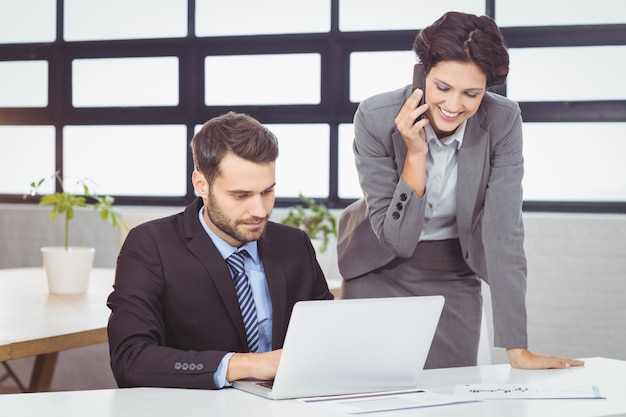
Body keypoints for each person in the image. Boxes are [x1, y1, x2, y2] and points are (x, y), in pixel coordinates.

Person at [337, 11, 584, 370]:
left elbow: (503, 233)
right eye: (443, 88)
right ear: (422, 73)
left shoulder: (503, 121)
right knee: (372, 390)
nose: (454, 106)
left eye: (472, 93)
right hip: (379, 267)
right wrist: (416, 155)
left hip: (453, 270)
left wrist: (518, 349)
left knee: (453, 391)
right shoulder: (376, 117)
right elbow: (398, 240)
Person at [107, 111, 333, 390]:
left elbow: (328, 340)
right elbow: (130, 359)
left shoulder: (295, 245)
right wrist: (249, 364)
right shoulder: (151, 246)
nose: (260, 211)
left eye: (267, 192)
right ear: (201, 184)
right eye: (241, 196)